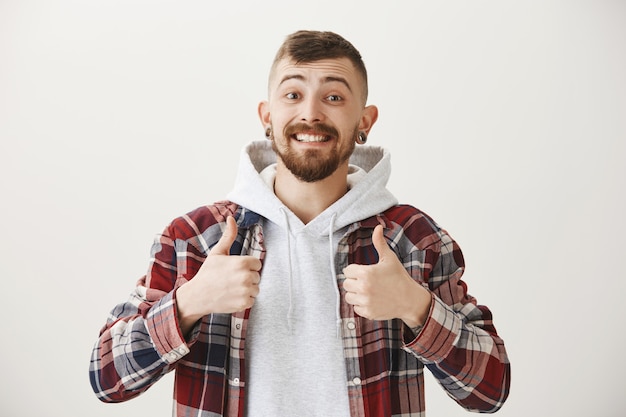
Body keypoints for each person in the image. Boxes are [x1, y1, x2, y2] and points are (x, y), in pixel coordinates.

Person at [89, 30, 510, 416]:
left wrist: (415, 307)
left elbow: (490, 390)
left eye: (333, 97)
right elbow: (106, 378)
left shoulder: (414, 239)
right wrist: (189, 303)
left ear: (365, 121)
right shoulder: (195, 238)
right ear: (266, 115)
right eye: (292, 95)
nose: (310, 114)